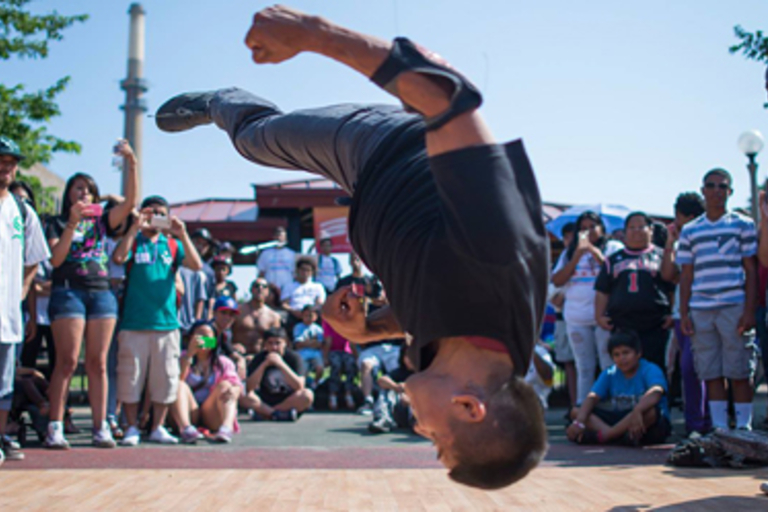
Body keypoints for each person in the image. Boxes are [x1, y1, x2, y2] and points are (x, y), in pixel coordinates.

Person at [156, 5, 548, 488]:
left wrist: (371, 329)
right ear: (468, 406)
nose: (421, 431)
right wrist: (312, 34)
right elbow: (447, 97)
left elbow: (433, 308)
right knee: (257, 139)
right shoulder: (497, 257)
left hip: (369, 189)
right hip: (381, 145)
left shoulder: (476, 356)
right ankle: (222, 101)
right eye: (436, 441)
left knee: (259, 143)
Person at [45, 139, 137, 450]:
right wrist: (72, 222)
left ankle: (101, 427)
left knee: (98, 363)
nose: (83, 192)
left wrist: (131, 162)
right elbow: (56, 259)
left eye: (88, 189)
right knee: (68, 361)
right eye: (78, 188)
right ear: (69, 195)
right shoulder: (56, 222)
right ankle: (55, 426)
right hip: (68, 292)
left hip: (101, 294)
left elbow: (130, 204)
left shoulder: (103, 221)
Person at [113, 195, 203, 446]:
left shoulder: (172, 244)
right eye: (150, 212)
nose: (155, 217)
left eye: (160, 213)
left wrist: (182, 233)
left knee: (165, 377)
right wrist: (134, 226)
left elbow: (196, 265)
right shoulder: (134, 240)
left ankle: (158, 427)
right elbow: (118, 258)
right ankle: (131, 426)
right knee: (131, 376)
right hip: (134, 322)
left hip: (167, 323)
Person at [678, 169, 757, 431]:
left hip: (733, 304)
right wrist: (684, 312)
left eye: (722, 186)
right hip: (701, 308)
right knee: (710, 372)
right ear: (703, 190)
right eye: (711, 186)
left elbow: (751, 269)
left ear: (730, 192)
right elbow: (686, 274)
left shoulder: (742, 225)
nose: (716, 191)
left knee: (739, 370)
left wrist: (749, 311)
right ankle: (721, 430)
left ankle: (743, 429)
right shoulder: (690, 230)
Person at [0, 137, 50, 461]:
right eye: (1, 161)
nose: (6, 168)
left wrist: (23, 286)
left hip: (8, 314)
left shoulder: (22, 209)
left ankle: (1, 436)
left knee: (4, 384)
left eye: (11, 163)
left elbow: (35, 258)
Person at [552, 211, 623, 404]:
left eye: (593, 226)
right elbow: (557, 280)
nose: (588, 231)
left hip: (604, 317)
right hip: (576, 318)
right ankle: (583, 409)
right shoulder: (569, 253)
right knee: (584, 367)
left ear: (602, 228)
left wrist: (594, 252)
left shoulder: (613, 247)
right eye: (583, 228)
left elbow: (616, 274)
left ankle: (614, 405)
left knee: (608, 363)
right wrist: (576, 257)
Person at [594, 212, 675, 373]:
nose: (636, 231)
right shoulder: (613, 259)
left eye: (641, 227)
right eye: (632, 227)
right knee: (625, 367)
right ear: (624, 232)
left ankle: (655, 397)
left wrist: (672, 313)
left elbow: (671, 286)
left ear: (650, 230)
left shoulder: (661, 256)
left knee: (654, 368)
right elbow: (603, 290)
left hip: (655, 324)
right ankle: (626, 398)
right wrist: (599, 315)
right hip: (622, 324)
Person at [660, 192, 710, 435]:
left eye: (677, 216)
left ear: (688, 217)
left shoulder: (707, 239)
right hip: (683, 314)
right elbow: (668, 275)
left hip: (708, 310)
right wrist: (670, 241)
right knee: (688, 368)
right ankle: (695, 425)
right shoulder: (679, 241)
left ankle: (714, 422)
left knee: (709, 368)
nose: (675, 220)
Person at [566, 330, 671, 446]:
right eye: (617, 355)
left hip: (641, 420)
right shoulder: (610, 373)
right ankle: (616, 436)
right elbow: (592, 397)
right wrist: (579, 421)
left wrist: (638, 409)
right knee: (576, 411)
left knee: (652, 412)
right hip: (619, 419)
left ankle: (606, 437)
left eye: (626, 353)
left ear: (638, 353)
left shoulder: (650, 369)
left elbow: (656, 391)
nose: (622, 358)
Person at [171, 321, 241, 444]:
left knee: (225, 385)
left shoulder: (223, 362)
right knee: (179, 385)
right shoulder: (180, 357)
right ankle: (186, 428)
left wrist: (235, 390)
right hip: (189, 410)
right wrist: (189, 355)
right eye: (199, 336)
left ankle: (226, 428)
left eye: (207, 336)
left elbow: (237, 384)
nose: (203, 340)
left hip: (210, 412)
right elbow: (177, 382)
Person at [245, 327, 313, 420]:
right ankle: (278, 414)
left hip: (289, 400)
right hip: (265, 399)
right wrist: (264, 365)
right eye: (270, 343)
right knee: (242, 394)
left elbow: (299, 386)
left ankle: (268, 413)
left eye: (278, 343)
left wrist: (281, 364)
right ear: (265, 344)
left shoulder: (294, 358)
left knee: (307, 395)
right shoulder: (259, 358)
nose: (274, 347)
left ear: (285, 343)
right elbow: (249, 387)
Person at [550, 222, 577, 408]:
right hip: (564, 319)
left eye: (572, 236)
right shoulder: (563, 258)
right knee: (569, 363)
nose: (569, 240)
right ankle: (575, 404)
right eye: (566, 237)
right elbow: (554, 297)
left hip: (589, 318)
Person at [233, 278, 282, 354]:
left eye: (264, 286)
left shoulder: (274, 316)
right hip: (238, 355)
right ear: (251, 289)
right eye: (257, 286)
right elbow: (223, 333)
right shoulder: (237, 311)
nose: (260, 288)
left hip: (262, 357)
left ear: (268, 291)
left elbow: (278, 341)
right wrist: (231, 346)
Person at [281, 256, 326, 335]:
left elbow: (319, 303)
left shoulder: (318, 286)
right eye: (302, 269)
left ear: (312, 272)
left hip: (312, 315)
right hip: (294, 315)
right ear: (297, 270)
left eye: (308, 270)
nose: (305, 272)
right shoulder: (289, 286)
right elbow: (284, 304)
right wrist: (294, 311)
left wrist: (309, 313)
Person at [323, 319, 357, 410]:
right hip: (333, 350)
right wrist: (325, 357)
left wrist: (356, 356)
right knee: (336, 364)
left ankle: (348, 393)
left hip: (346, 351)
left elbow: (351, 342)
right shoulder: (328, 322)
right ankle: (333, 394)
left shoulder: (348, 322)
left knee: (350, 363)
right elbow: (328, 341)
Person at [292, 305, 325, 388]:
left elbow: (319, 344)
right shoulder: (298, 327)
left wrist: (307, 343)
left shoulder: (318, 329)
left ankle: (316, 383)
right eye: (306, 316)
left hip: (316, 354)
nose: (308, 318)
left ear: (316, 317)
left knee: (320, 368)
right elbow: (298, 344)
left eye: (310, 316)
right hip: (302, 354)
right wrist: (312, 343)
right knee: (303, 371)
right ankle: (303, 386)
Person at [257, 226, 297, 292]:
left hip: (287, 288)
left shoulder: (292, 254)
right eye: (277, 236)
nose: (279, 238)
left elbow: (295, 274)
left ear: (285, 238)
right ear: (274, 237)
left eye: (281, 236)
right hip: (270, 288)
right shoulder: (265, 254)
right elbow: (261, 273)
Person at [190, 227, 217, 319]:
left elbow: (211, 297)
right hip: (182, 316)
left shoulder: (209, 271)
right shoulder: (181, 264)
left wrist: (209, 318)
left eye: (205, 244)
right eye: (198, 242)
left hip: (201, 319)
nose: (201, 246)